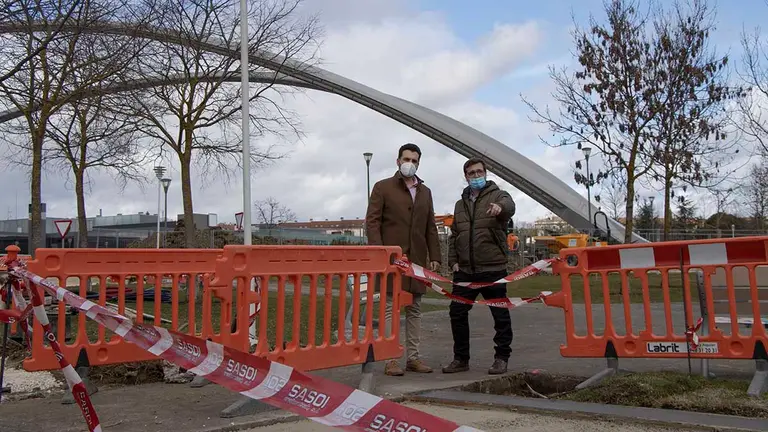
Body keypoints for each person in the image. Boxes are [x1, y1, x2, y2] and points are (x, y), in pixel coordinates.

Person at [365, 143, 442, 376]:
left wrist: (435, 255)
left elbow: (430, 226)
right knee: (390, 308)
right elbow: (372, 222)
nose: (410, 163)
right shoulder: (383, 187)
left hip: (416, 260)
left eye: (415, 160)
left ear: (419, 163)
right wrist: (379, 251)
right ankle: (390, 359)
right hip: (390, 260)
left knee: (415, 309)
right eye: (406, 158)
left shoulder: (425, 192)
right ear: (398, 161)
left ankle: (414, 358)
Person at [442, 157, 515, 375]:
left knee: (500, 315)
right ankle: (461, 359)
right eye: (471, 173)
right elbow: (455, 235)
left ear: (486, 173)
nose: (476, 176)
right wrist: (453, 261)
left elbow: (509, 207)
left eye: (479, 172)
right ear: (466, 176)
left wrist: (500, 208)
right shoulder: (459, 204)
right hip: (465, 271)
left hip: (492, 268)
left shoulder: (498, 195)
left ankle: (502, 357)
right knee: (457, 312)